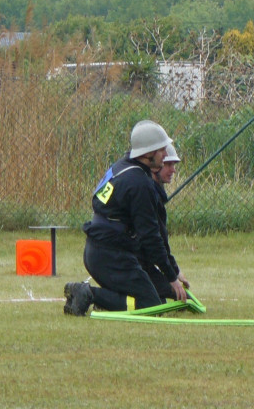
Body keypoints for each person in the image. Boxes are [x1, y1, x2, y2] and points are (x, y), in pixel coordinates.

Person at [63, 121, 187, 316]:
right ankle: (89, 294)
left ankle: (106, 299)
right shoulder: (139, 183)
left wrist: (170, 275)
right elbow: (151, 237)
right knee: (151, 306)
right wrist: (171, 277)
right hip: (111, 257)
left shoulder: (122, 166)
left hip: (98, 250)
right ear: (149, 153)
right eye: (162, 150)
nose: (165, 155)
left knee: (159, 298)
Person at [146, 142, 190, 300]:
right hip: (128, 260)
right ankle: (99, 297)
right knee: (154, 302)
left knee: (181, 297)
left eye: (174, 164)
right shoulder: (147, 193)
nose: (173, 170)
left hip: (140, 260)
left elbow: (161, 241)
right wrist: (172, 276)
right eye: (168, 164)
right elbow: (155, 241)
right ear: (155, 166)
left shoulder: (155, 192)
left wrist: (175, 272)